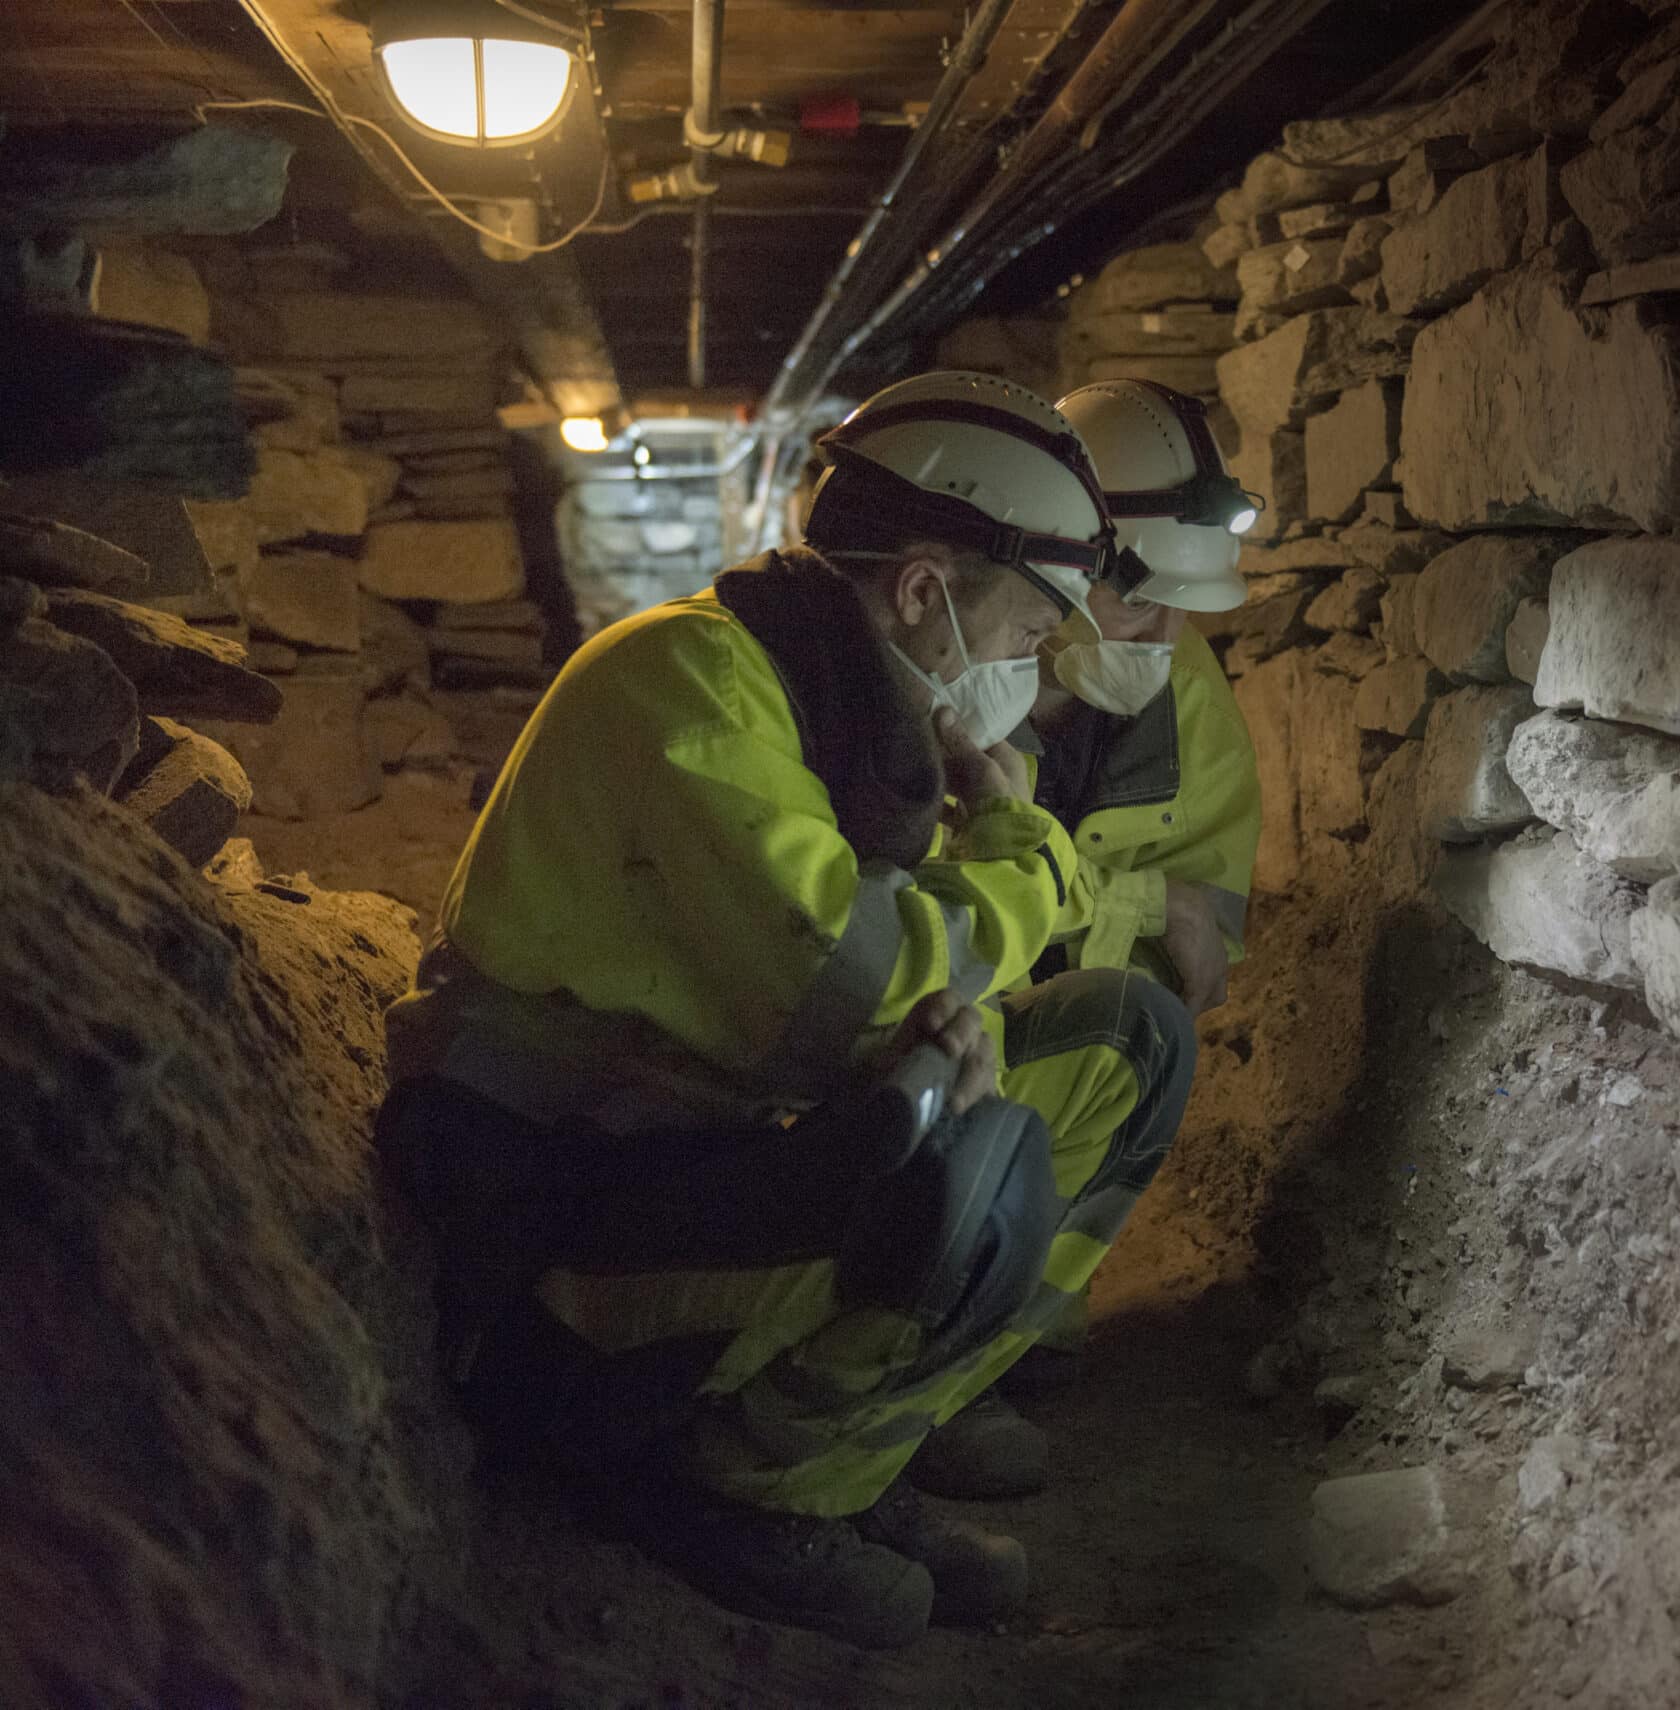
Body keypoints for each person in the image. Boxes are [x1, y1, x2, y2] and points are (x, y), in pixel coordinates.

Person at [375, 372, 1198, 1650]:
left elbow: (905, 975)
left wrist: (940, 999)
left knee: (1120, 1042)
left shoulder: (840, 705)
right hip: (557, 1207)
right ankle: (719, 1484)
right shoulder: (692, 685)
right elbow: (857, 992)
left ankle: (846, 1467)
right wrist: (1020, 860)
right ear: (924, 589)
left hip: (704, 1145)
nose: (1040, 666)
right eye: (1031, 627)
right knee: (968, 1166)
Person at [901, 379, 1259, 1503]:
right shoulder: (931, 659)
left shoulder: (1175, 691)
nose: (1163, 637)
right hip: (918, 997)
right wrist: (1139, 904)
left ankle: (997, 1339)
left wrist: (1133, 918)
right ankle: (878, 1363)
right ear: (1063, 566)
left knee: (1133, 1026)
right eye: (1137, 602)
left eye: (1175, 610)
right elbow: (901, 904)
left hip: (1019, 992)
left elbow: (1206, 933)